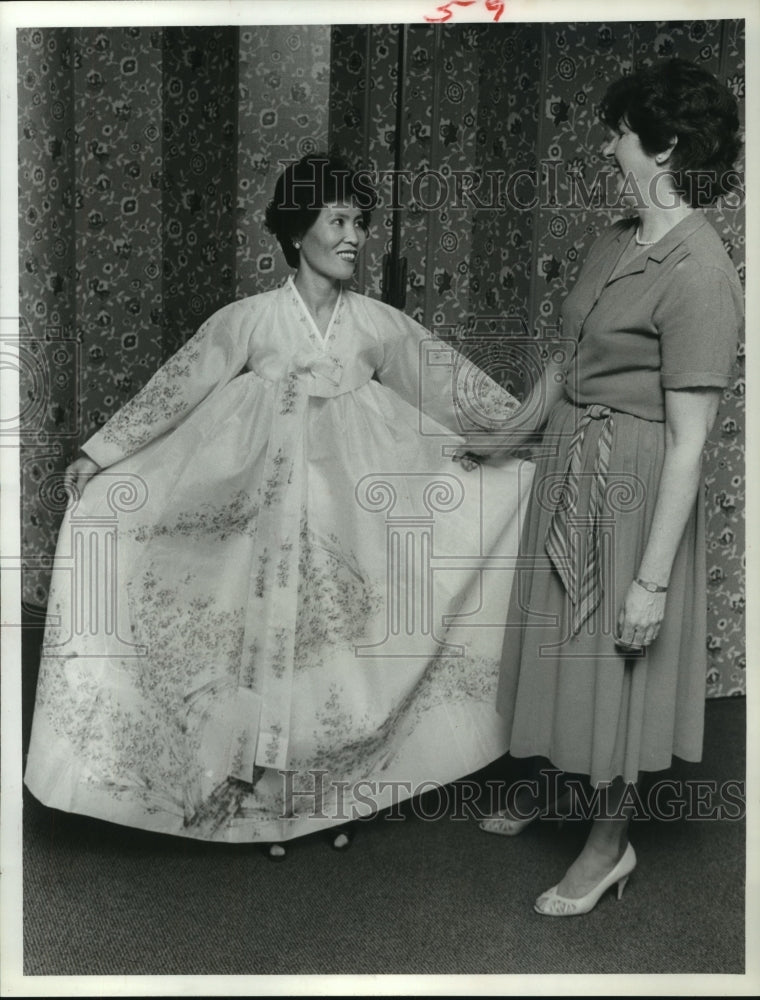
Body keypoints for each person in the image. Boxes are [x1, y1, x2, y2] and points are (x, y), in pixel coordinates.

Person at [24, 154, 532, 858]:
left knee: (336, 659)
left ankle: (326, 797)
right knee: (256, 648)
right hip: (258, 519)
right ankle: (251, 799)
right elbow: (178, 390)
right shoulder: (250, 320)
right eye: (339, 221)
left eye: (360, 222)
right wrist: (103, 456)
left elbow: (451, 389)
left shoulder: (379, 326)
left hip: (348, 521)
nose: (355, 237)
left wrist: (520, 442)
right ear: (300, 233)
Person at [460, 58, 743, 914]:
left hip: (635, 488)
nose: (606, 143)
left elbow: (692, 443)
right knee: (562, 641)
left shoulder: (701, 271)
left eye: (619, 130)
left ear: (664, 147)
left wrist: (652, 582)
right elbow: (567, 359)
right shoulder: (616, 237)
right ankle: (557, 782)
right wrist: (509, 436)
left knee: (623, 658)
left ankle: (609, 846)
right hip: (570, 467)